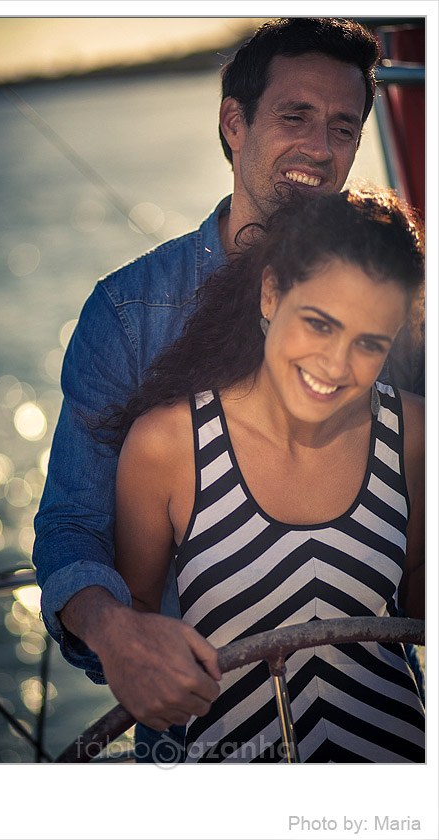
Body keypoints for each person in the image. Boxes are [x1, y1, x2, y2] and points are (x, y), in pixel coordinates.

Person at [33, 18, 423, 759]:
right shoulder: (127, 312)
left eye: (343, 127)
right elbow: (71, 525)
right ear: (232, 123)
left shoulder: (391, 310)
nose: (318, 147)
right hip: (201, 742)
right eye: (293, 117)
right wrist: (114, 631)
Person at [109, 188, 425, 762]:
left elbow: (423, 603)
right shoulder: (167, 446)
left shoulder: (414, 434)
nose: (335, 365)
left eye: (369, 344)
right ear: (272, 292)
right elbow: (136, 628)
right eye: (320, 324)